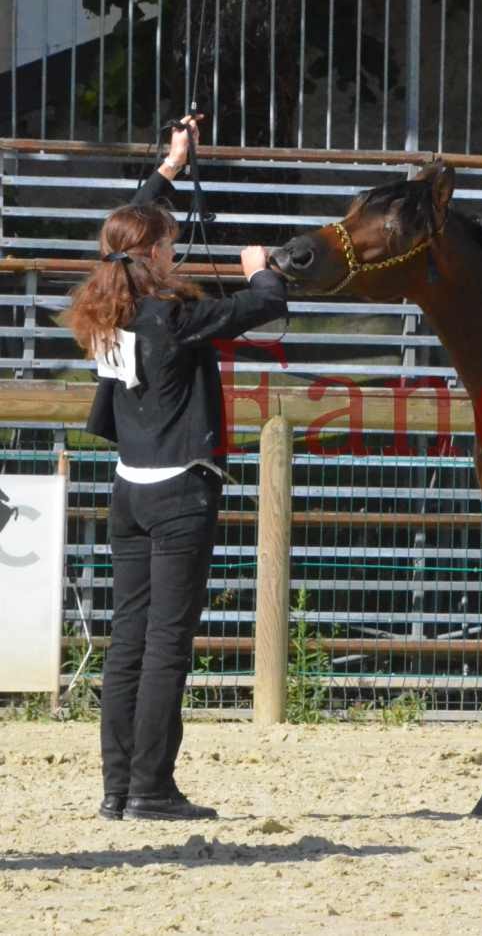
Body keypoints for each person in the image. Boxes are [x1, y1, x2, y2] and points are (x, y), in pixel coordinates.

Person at [63, 115, 288, 821]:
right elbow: (263, 308)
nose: (176, 250)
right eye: (170, 243)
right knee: (166, 647)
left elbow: (122, 230)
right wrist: (262, 269)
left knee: (129, 642)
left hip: (128, 490)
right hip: (178, 496)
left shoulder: (106, 304)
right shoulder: (168, 312)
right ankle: (152, 790)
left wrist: (170, 165)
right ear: (155, 253)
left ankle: (117, 790)